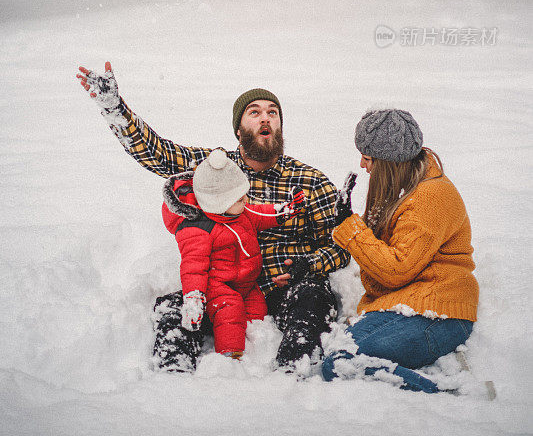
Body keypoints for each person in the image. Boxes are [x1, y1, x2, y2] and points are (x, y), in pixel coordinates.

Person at [76, 62, 349, 372]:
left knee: (315, 296)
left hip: (284, 288)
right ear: (239, 130)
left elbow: (342, 242)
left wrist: (308, 266)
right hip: (223, 288)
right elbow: (160, 154)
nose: (265, 118)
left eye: (273, 112)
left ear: (280, 127)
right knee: (174, 308)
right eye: (255, 112)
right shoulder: (216, 169)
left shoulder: (309, 180)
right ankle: (171, 379)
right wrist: (116, 110)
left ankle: (292, 375)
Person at [323, 109, 479, 393]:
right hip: (410, 305)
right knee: (339, 355)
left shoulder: (430, 197)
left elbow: (396, 270)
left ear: (388, 162)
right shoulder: (403, 188)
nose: (362, 164)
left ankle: (446, 393)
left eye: (368, 158)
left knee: (342, 361)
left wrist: (351, 229)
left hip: (439, 314)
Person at [163, 148, 304, 360]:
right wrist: (193, 298)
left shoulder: (239, 213)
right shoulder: (198, 229)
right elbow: (193, 267)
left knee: (258, 312)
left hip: (247, 283)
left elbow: (262, 214)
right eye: (239, 199)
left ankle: (259, 349)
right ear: (218, 203)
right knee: (230, 312)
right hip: (219, 287)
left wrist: (287, 209)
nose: (246, 201)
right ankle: (230, 355)